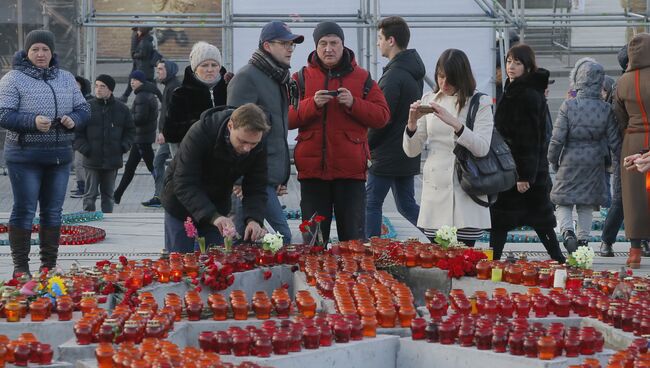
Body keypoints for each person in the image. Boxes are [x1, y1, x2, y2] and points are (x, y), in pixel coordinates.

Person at [289, 21, 390, 243]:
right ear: (315, 47)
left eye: (334, 43)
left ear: (343, 45)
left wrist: (354, 103)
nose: (328, 48)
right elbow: (284, 118)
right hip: (313, 172)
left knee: (352, 241)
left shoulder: (362, 77)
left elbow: (382, 115)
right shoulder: (301, 78)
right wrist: (311, 104)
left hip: (350, 173)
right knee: (314, 242)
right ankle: (314, 278)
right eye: (323, 43)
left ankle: (352, 278)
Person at [0, 29, 90, 276]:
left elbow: (84, 108)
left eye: (45, 50)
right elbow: (3, 113)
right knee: (25, 209)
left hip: (59, 156)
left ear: (52, 52)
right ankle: (21, 267)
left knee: (53, 211)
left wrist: (74, 119)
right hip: (24, 156)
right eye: (35, 49)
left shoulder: (65, 78)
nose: (40, 54)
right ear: (27, 52)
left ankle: (48, 266)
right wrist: (32, 121)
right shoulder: (13, 79)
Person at [403, 49, 492, 247]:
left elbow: (482, 148)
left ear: (462, 78)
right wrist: (411, 125)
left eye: (450, 79)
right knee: (438, 256)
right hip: (435, 188)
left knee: (463, 258)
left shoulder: (480, 102)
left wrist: (456, 124)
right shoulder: (430, 99)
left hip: (466, 186)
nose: (444, 84)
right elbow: (412, 150)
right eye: (440, 76)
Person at [227, 21, 304, 244]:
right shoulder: (247, 78)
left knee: (247, 242)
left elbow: (277, 135)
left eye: (292, 44)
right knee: (280, 238)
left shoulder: (277, 79)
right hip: (249, 181)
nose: (290, 49)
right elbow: (233, 133)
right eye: (284, 43)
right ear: (267, 46)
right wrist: (239, 179)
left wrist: (281, 176)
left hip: (267, 178)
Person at [489, 44, 565, 263]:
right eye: (509, 61)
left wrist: (524, 176)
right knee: (503, 220)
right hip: (512, 169)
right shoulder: (512, 90)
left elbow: (530, 139)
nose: (511, 67)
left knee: (540, 221)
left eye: (517, 62)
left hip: (523, 172)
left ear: (528, 66)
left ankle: (559, 260)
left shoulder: (527, 95)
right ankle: (493, 261)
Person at [160, 103, 269, 253]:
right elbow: (184, 182)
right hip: (181, 203)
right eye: (242, 141)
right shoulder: (200, 133)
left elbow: (256, 186)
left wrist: (254, 220)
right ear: (231, 126)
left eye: (253, 143)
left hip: (217, 203)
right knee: (181, 262)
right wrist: (213, 216)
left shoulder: (259, 144)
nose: (247, 148)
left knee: (214, 263)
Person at [547, 58, 621, 252]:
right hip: (595, 162)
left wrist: (553, 159)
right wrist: (618, 161)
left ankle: (567, 232)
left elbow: (557, 138)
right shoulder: (606, 109)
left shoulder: (568, 106)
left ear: (577, 80)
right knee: (586, 204)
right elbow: (615, 141)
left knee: (562, 201)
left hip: (570, 160)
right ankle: (583, 240)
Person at [366, 16, 424, 238]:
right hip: (405, 150)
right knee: (407, 205)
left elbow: (382, 118)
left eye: (380, 38)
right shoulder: (412, 70)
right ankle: (444, 240)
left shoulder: (394, 76)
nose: (377, 43)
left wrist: (365, 145)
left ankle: (371, 252)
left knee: (370, 203)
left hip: (387, 154)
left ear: (391, 40)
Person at [613, 33, 650, 268]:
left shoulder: (622, 82)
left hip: (632, 142)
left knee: (634, 197)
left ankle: (634, 252)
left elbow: (618, 116)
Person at [74, 75, 136, 213]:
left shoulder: (122, 109)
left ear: (110, 89)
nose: (98, 89)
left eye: (102, 86)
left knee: (108, 196)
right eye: (96, 86)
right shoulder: (86, 107)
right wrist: (85, 149)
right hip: (91, 160)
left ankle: (109, 224)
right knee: (90, 196)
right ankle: (89, 223)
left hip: (112, 161)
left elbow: (130, 131)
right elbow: (77, 133)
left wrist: (123, 147)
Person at [164, 41, 230, 155]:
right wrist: (201, 126)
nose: (210, 69)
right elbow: (170, 133)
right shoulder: (181, 94)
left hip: (227, 159)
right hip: (194, 157)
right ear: (195, 68)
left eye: (214, 65)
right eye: (204, 65)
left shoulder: (229, 88)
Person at [113, 70, 159, 205]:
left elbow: (140, 118)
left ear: (142, 81)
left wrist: (126, 118)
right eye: (131, 80)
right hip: (141, 138)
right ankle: (117, 195)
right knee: (130, 168)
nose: (132, 82)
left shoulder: (142, 97)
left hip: (142, 138)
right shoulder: (147, 94)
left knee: (153, 168)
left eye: (135, 79)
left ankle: (163, 193)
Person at [142, 59, 181, 208]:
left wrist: (165, 132)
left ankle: (177, 196)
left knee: (177, 165)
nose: (157, 72)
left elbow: (173, 113)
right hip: (166, 134)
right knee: (157, 162)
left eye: (160, 69)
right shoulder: (168, 86)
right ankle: (159, 195)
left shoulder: (174, 86)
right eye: (157, 69)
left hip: (171, 134)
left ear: (169, 71)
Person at [70, 75, 93, 199]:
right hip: (76, 137)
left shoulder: (87, 101)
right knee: (78, 164)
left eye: (77, 84)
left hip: (83, 138)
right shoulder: (71, 100)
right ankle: (82, 186)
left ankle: (83, 187)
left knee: (79, 163)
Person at [119, 27, 156, 102]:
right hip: (141, 64)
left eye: (139, 31)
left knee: (144, 81)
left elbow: (142, 53)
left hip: (142, 65)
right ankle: (125, 96)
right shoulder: (145, 38)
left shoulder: (144, 41)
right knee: (139, 79)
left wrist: (134, 55)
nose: (137, 32)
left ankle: (126, 96)